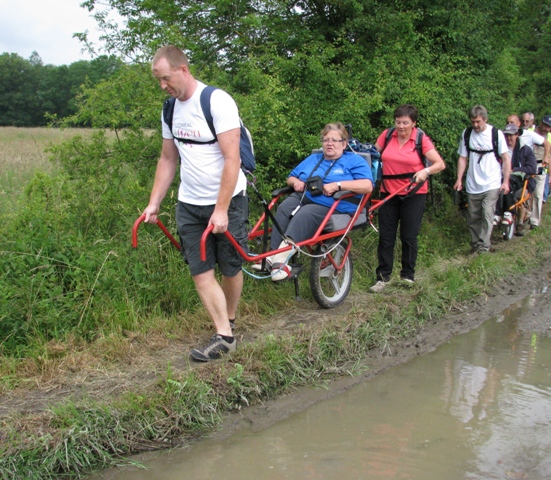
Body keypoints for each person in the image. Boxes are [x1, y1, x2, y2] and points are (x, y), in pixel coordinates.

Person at [143, 46, 248, 362]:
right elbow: (167, 158)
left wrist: (221, 208)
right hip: (189, 203)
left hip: (227, 201)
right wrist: (154, 203)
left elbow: (233, 158)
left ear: (182, 69)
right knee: (200, 271)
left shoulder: (216, 101)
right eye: (159, 81)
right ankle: (224, 336)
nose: (163, 86)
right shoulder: (170, 110)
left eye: (165, 79)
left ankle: (228, 320)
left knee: (230, 267)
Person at [263, 122, 374, 281]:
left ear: (344, 144)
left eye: (334, 140)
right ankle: (271, 255)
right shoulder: (313, 158)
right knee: (284, 207)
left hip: (335, 204)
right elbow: (291, 177)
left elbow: (367, 186)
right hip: (305, 197)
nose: (329, 144)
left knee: (305, 214)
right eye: (326, 140)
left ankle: (280, 261)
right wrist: (295, 182)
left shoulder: (354, 161)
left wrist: (338, 185)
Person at [369, 104, 446, 293]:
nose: (401, 126)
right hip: (388, 192)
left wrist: (425, 171)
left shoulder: (421, 139)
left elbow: (439, 164)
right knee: (386, 236)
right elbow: (370, 155)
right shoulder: (387, 135)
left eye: (405, 123)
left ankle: (407, 276)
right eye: (398, 122)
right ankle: (383, 278)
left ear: (414, 123)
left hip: (414, 193)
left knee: (409, 236)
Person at [454, 105, 511, 254]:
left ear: (485, 119)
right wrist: (459, 179)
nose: (475, 125)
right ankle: (475, 244)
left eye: (478, 122)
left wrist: (505, 181)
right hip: (473, 183)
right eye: (473, 122)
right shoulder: (467, 134)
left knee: (487, 213)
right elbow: (462, 158)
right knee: (473, 216)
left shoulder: (496, 134)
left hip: (492, 182)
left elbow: (506, 159)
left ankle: (484, 246)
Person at [498, 123, 537, 237]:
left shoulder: (526, 150)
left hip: (520, 180)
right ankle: (498, 215)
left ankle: (511, 215)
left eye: (511, 135)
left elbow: (532, 168)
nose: (509, 138)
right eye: (507, 135)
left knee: (509, 183)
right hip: (500, 179)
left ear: (517, 135)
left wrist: (514, 170)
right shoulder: (500, 149)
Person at [530, 115, 551, 229]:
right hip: (528, 164)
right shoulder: (531, 131)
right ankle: (523, 216)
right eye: (545, 125)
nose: (546, 128)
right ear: (541, 123)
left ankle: (534, 221)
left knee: (538, 194)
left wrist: (550, 175)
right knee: (526, 192)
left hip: (541, 166)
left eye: (549, 127)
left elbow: (550, 157)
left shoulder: (550, 137)